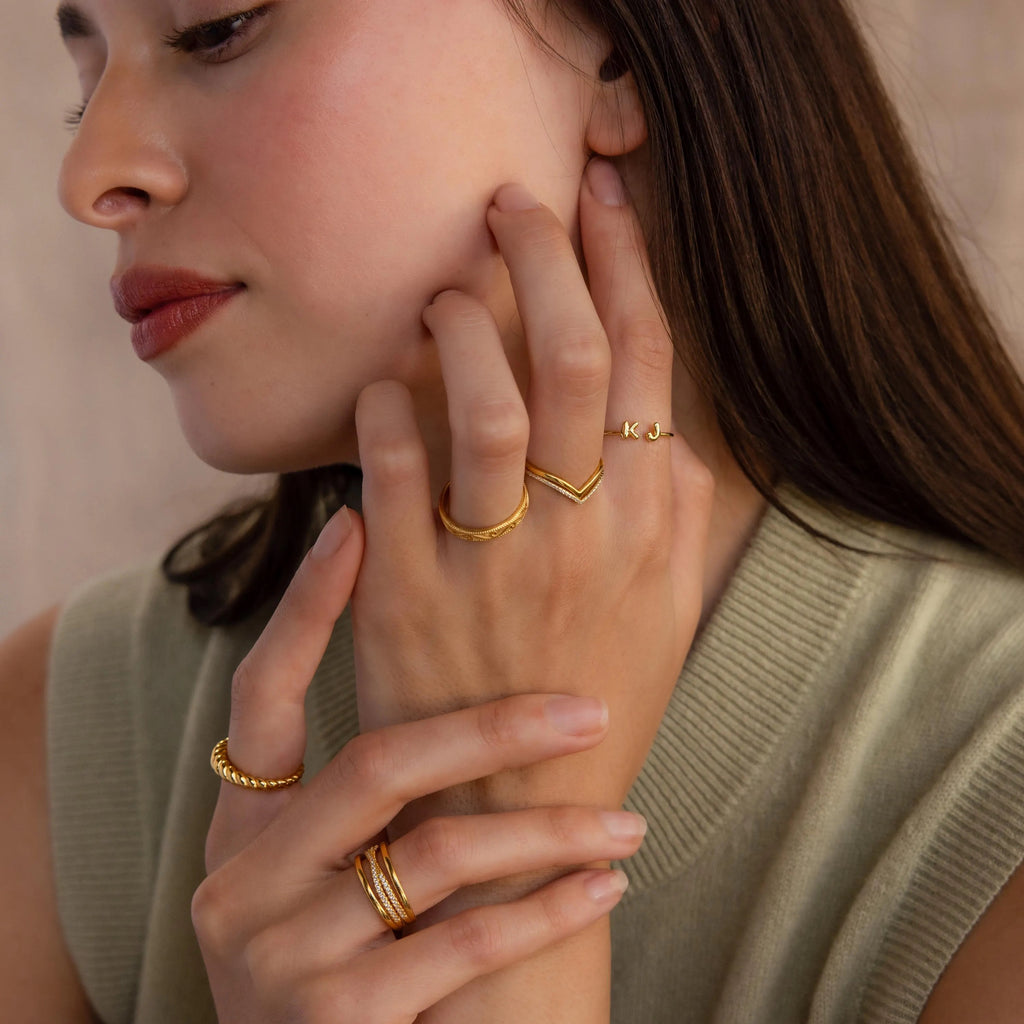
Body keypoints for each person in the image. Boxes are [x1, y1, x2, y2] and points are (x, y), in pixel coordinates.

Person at [3, 0, 1024, 1021]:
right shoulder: (57, 744)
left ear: (616, 52)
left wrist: (507, 922)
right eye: (87, 87)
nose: (90, 176)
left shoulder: (989, 792)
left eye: (217, 26)